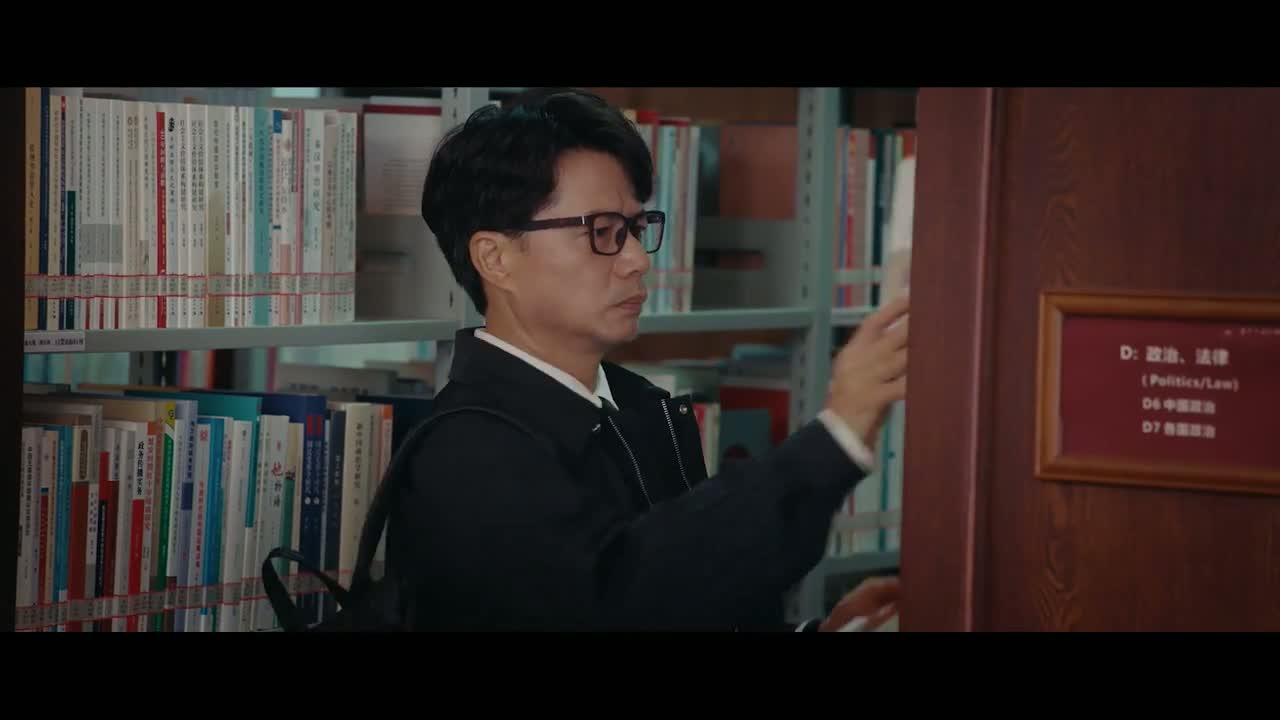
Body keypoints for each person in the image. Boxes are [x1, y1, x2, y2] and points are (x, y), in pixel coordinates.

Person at [385, 87, 908, 631]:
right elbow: (622, 601)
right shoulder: (468, 453)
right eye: (603, 232)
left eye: (635, 229)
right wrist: (836, 437)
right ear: (495, 258)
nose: (637, 259)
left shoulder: (641, 406)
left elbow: (692, 600)